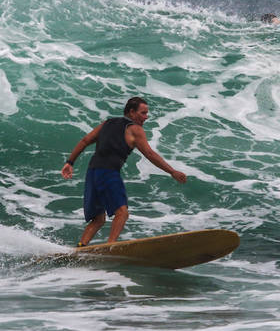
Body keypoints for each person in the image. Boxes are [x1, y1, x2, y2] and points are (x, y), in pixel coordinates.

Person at [61, 97, 187, 246]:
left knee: (98, 218)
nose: (146, 117)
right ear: (132, 112)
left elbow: (84, 141)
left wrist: (70, 162)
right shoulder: (135, 129)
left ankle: (81, 247)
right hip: (108, 173)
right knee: (122, 213)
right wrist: (172, 171)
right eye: (143, 113)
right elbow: (150, 154)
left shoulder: (107, 123)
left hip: (92, 172)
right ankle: (110, 246)